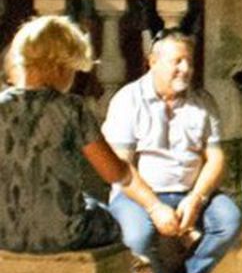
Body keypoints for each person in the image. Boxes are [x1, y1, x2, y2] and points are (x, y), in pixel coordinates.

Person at [104, 30, 242, 273]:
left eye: (189, 61)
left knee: (229, 221)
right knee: (136, 237)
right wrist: (154, 207)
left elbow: (216, 158)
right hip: (138, 195)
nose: (185, 69)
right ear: (153, 61)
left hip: (189, 192)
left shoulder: (203, 101)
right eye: (177, 61)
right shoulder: (127, 100)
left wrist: (197, 198)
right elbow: (120, 167)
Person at [0, 16, 158, 253]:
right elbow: (112, 172)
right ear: (60, 68)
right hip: (62, 235)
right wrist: (127, 173)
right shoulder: (71, 109)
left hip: (5, 236)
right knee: (108, 218)